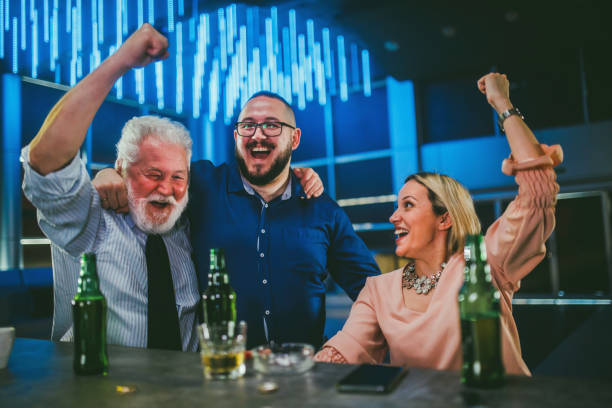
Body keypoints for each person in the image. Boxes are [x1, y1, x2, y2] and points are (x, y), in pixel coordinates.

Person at [94, 39, 381, 350]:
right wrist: (110, 174)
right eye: (248, 126)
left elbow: (374, 294)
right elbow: (151, 175)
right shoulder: (201, 183)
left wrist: (345, 347)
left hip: (303, 374)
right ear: (236, 136)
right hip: (221, 373)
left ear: (294, 138)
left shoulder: (323, 210)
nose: (257, 134)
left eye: (272, 126)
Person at [314, 73, 563, 376]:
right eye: (396, 207)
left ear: (444, 217)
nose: (394, 217)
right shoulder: (378, 290)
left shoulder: (483, 265)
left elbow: (538, 194)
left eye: (408, 205)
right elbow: (342, 354)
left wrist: (503, 104)